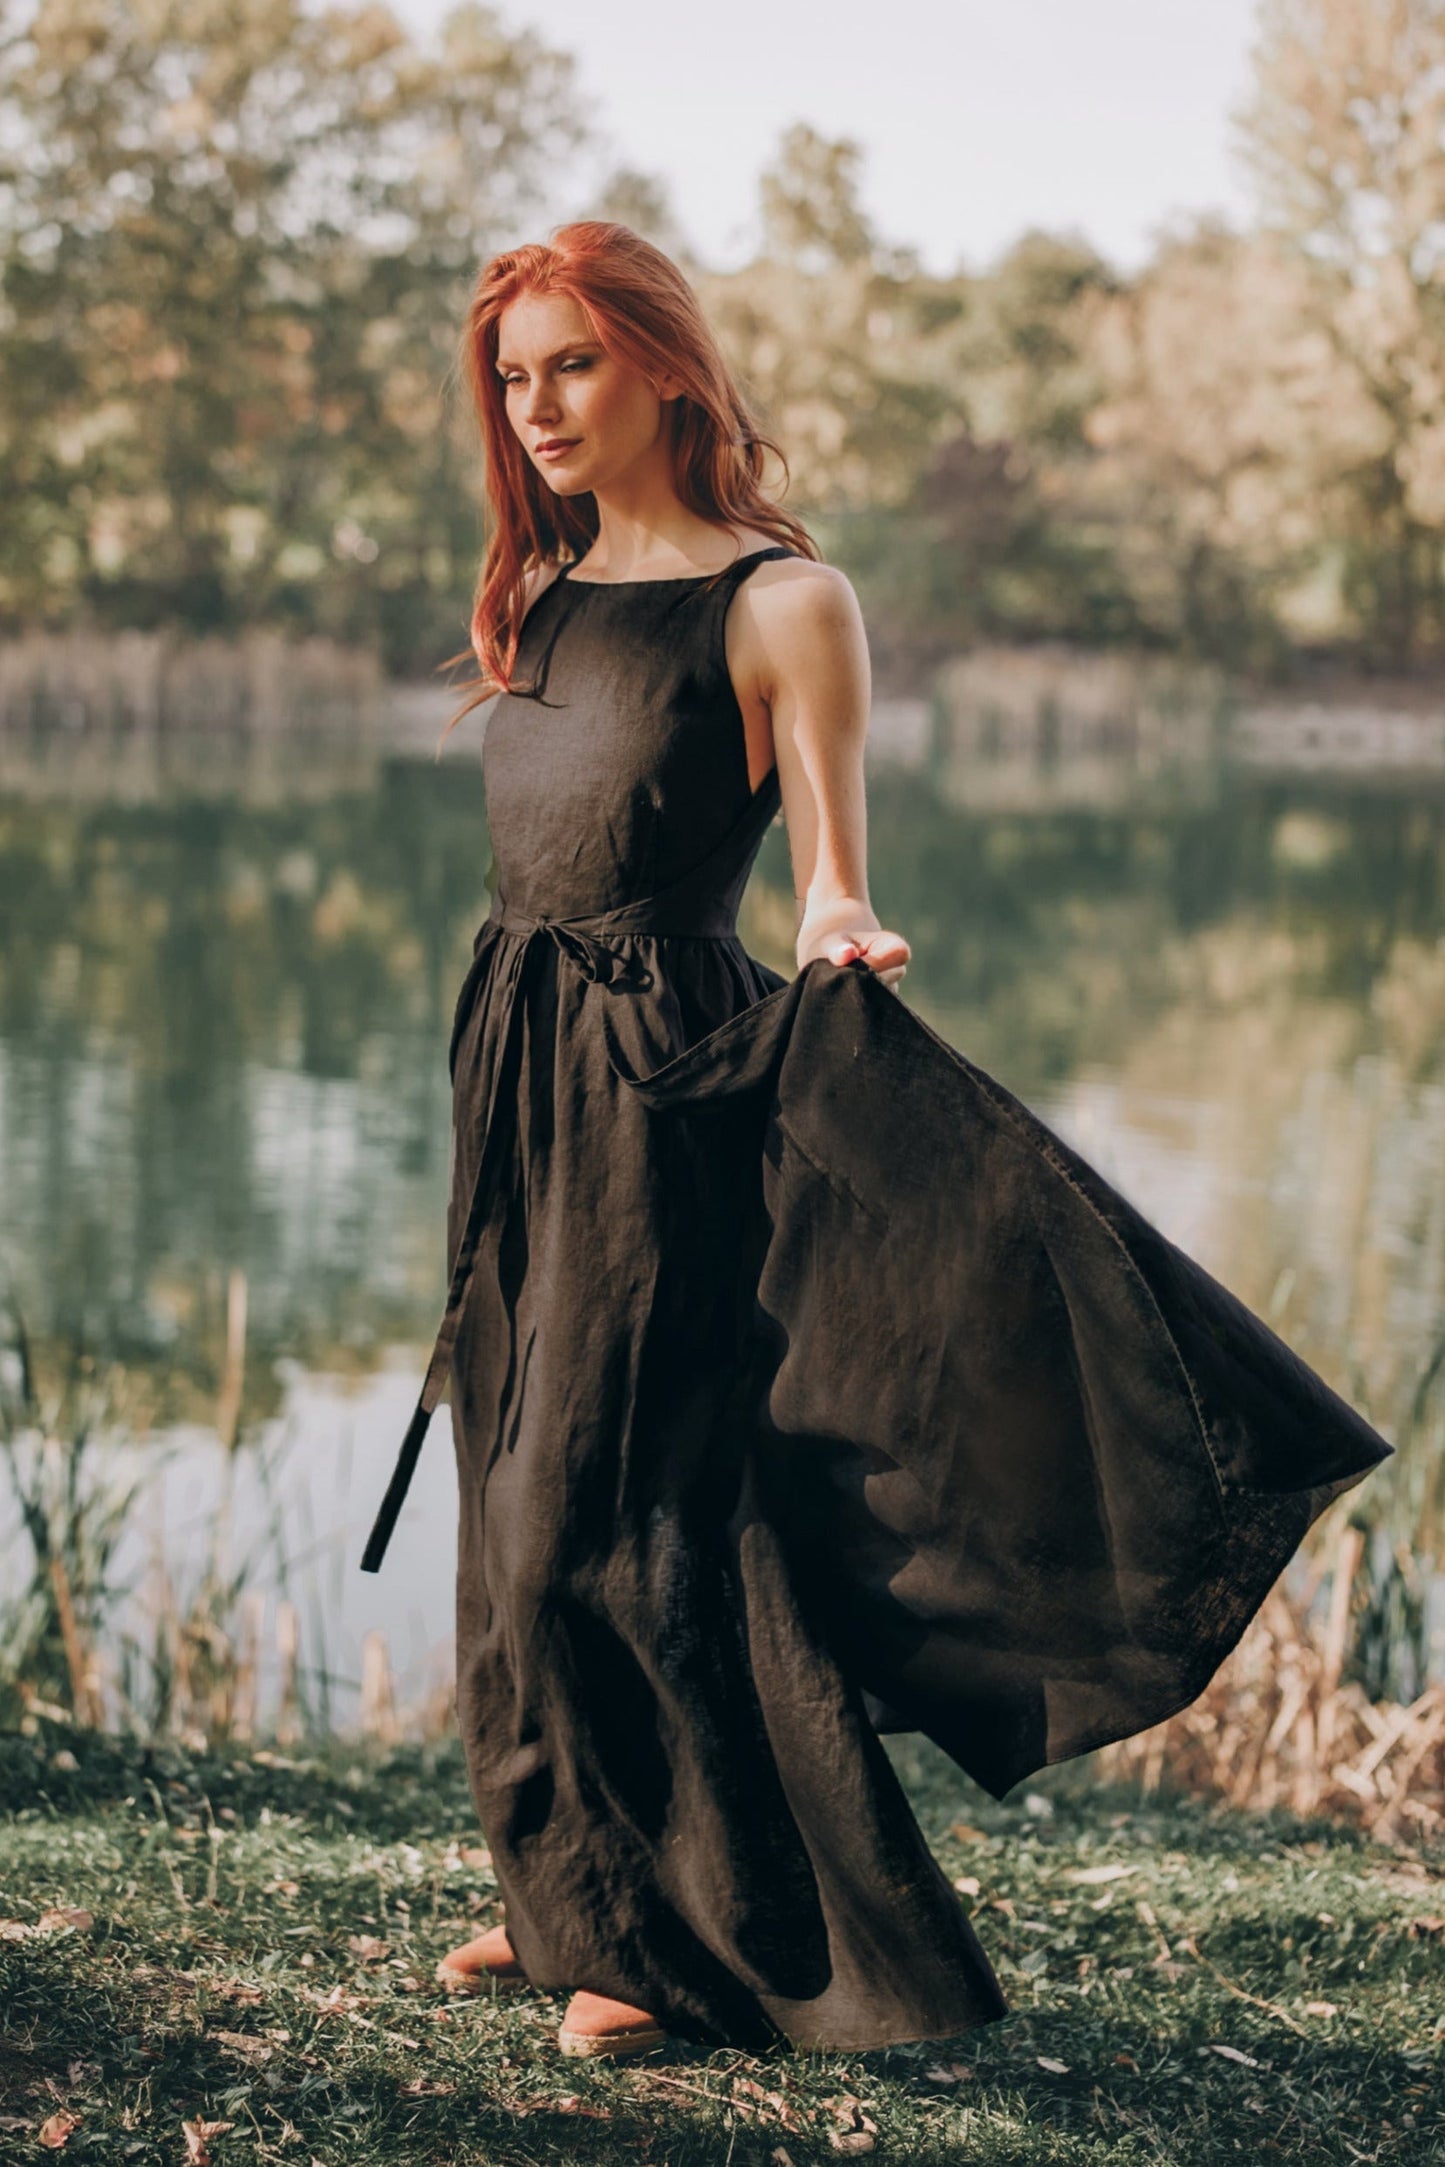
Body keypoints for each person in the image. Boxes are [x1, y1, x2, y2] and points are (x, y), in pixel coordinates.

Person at [359, 221, 1391, 2061]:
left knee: (620, 1506)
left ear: (666, 364)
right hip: (514, 1067)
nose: (537, 410)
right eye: (511, 378)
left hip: (669, 1087)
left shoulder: (780, 601)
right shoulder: (537, 594)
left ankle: (677, 1947)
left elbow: (831, 866)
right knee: (512, 1491)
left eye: (572, 364)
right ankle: (564, 1893)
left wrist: (842, 929)